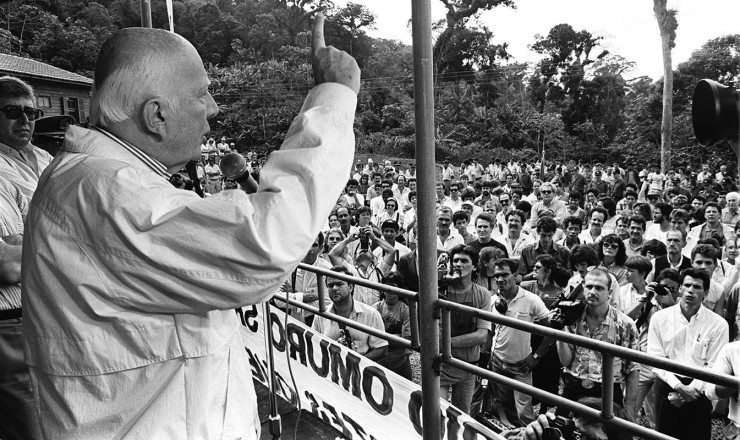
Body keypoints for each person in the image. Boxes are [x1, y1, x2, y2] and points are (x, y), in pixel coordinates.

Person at [22, 20, 360, 439]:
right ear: (157, 115)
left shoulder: (103, 182)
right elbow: (264, 244)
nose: (214, 109)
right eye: (202, 94)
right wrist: (333, 99)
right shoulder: (105, 191)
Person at [648, 268, 729, 440]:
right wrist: (679, 387)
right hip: (666, 385)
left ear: (706, 293)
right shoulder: (660, 318)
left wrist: (690, 391)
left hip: (699, 390)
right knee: (664, 435)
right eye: (687, 285)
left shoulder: (718, 324)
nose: (691, 290)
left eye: (697, 287)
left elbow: (713, 364)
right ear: (680, 288)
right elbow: (656, 357)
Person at [556, 268, 639, 421]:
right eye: (589, 287)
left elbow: (632, 369)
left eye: (599, 288)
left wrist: (630, 408)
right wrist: (559, 331)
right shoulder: (572, 317)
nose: (593, 291)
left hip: (608, 390)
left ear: (609, 292)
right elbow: (565, 361)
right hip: (574, 384)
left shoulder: (625, 324)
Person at [0, 175, 41, 440]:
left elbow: (42, 236)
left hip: (25, 319)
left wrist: (17, 245)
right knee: (31, 429)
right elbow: (9, 268)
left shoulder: (6, 185)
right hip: (6, 326)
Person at [490, 258, 550, 427]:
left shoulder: (531, 300)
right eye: (497, 276)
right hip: (497, 361)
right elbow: (492, 330)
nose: (500, 280)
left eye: (505, 275)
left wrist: (536, 356)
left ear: (515, 276)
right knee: (505, 406)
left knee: (524, 412)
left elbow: (552, 332)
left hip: (521, 365)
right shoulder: (493, 300)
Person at [439, 245, 492, 414]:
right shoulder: (440, 291)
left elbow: (481, 335)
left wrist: (446, 343)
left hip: (467, 365)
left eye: (464, 261)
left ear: (474, 266)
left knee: (461, 415)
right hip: (441, 365)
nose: (458, 264)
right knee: (435, 410)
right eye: (455, 260)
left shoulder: (482, 294)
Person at [312, 266, 389, 360]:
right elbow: (314, 344)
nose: (334, 288)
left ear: (351, 287)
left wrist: (357, 364)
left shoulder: (371, 314)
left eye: (339, 284)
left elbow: (382, 348)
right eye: (330, 285)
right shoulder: (320, 315)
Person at [0, 76, 52, 201]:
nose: (25, 120)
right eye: (12, 111)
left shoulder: (42, 155)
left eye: (30, 112)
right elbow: (38, 205)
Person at [373, 271, 412, 380]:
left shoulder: (405, 310)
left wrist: (382, 337)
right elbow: (372, 338)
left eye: (393, 287)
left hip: (401, 361)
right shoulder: (376, 308)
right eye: (386, 286)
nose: (389, 290)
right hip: (381, 361)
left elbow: (407, 339)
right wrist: (397, 337)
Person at [519, 217, 571, 281]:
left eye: (550, 236)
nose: (546, 239)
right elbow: (521, 278)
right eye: (543, 235)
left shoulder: (564, 252)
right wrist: (537, 272)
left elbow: (569, 277)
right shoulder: (527, 251)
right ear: (537, 232)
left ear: (554, 233)